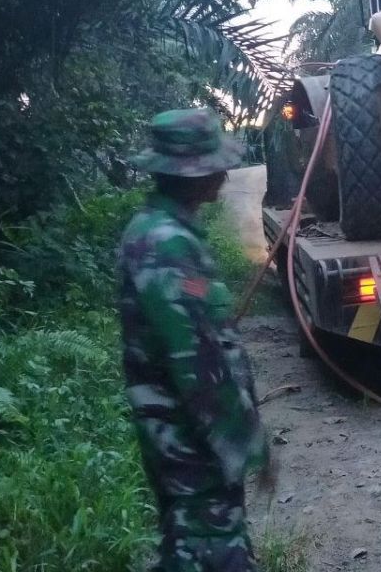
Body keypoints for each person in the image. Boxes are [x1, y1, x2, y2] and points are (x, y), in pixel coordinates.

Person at [118, 108, 269, 571]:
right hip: (190, 438)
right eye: (214, 167)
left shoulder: (165, 232)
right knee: (211, 548)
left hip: (184, 434)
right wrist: (245, 441)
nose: (224, 176)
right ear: (193, 176)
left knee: (188, 540)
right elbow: (196, 363)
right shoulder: (166, 245)